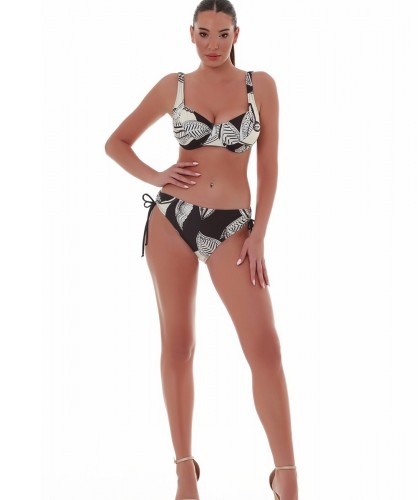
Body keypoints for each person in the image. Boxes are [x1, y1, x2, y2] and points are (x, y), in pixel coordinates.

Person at [104, 1, 298, 499]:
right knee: (179, 346)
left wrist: (259, 234)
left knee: (266, 348)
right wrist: (157, 176)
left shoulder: (260, 86)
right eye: (205, 33)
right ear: (190, 34)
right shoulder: (174, 86)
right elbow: (117, 142)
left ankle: (287, 476)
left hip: (232, 225)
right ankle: (184, 472)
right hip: (171, 220)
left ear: (237, 34)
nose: (213, 44)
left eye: (223, 34)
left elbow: (269, 166)